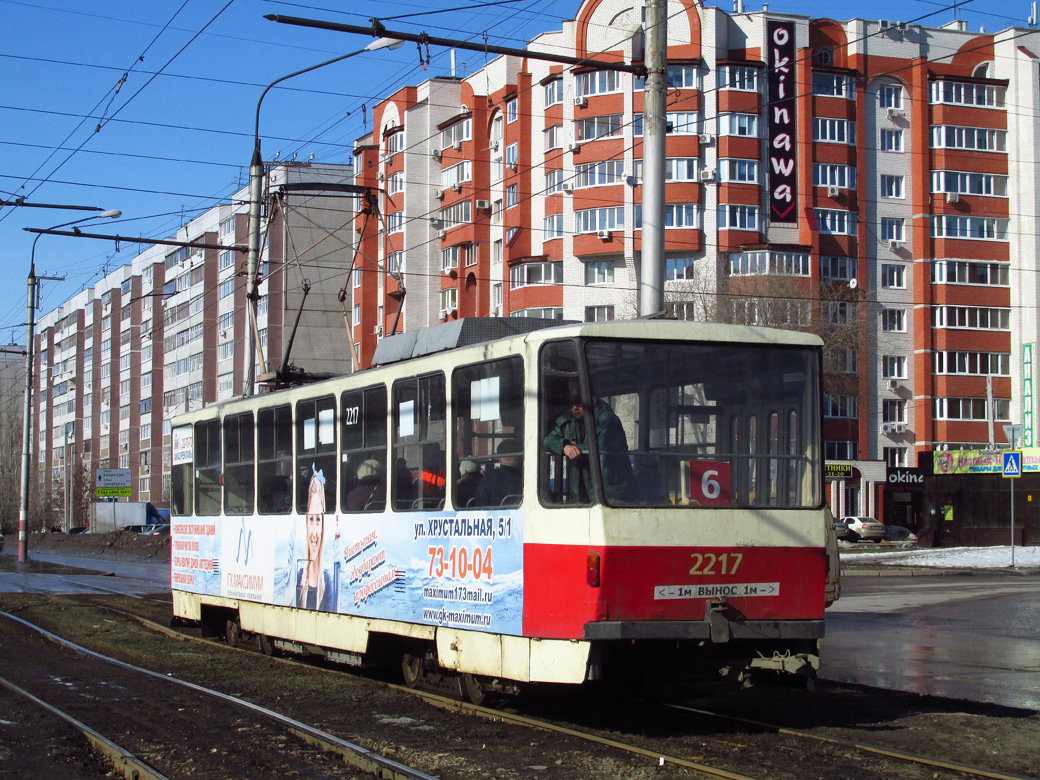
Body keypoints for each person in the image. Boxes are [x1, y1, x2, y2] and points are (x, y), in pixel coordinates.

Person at [544, 391, 637, 503]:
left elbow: (603, 446)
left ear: (592, 401)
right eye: (572, 403)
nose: (575, 407)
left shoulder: (608, 420)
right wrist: (565, 446)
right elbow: (547, 441)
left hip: (611, 492)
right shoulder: (568, 420)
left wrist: (575, 446)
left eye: (579, 403)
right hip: (581, 490)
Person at [297, 466, 336, 611]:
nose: (314, 532)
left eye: (318, 520)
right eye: (311, 519)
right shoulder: (298, 577)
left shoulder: (327, 582)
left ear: (323, 526)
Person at [475, 439, 523, 507]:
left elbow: (480, 505)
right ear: (520, 457)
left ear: (500, 459)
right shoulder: (527, 477)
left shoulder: (487, 477)